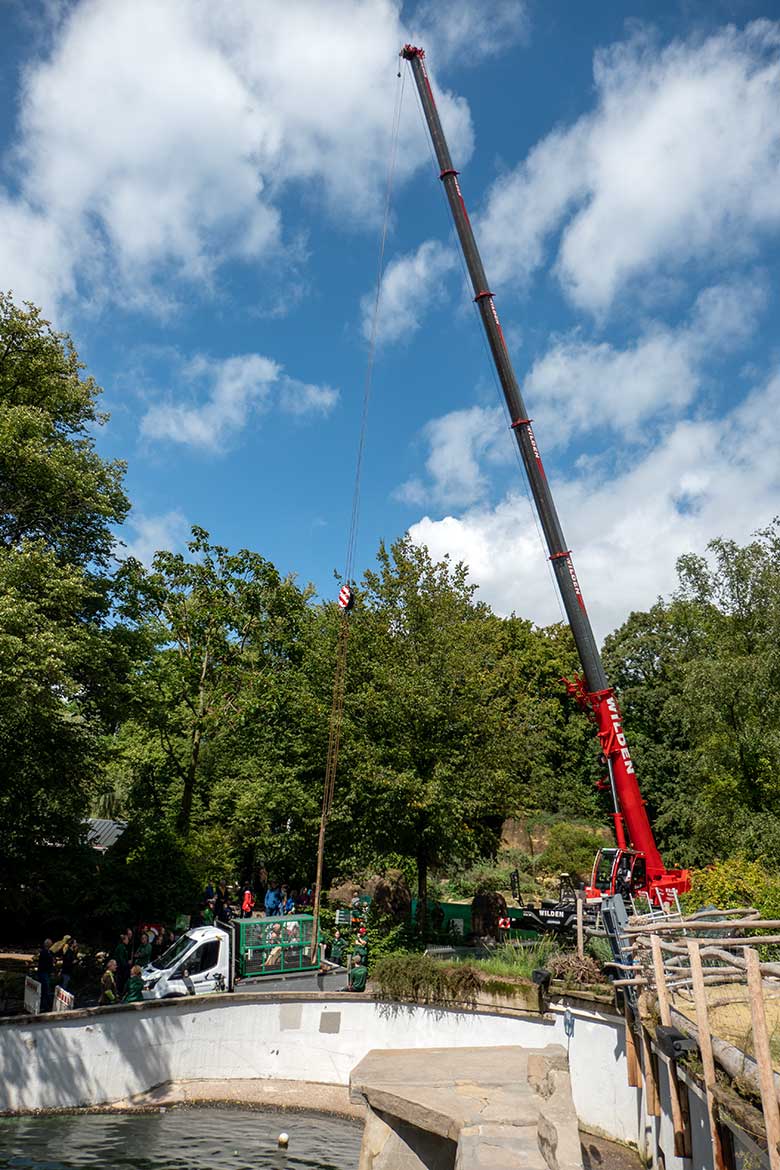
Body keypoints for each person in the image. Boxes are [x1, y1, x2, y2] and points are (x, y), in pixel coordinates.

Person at [36, 939, 55, 1012]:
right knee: (45, 989)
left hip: (46, 973)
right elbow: (45, 963)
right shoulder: (44, 953)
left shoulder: (49, 952)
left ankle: (45, 1005)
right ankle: (46, 1005)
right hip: (44, 973)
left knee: (45, 989)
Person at [114, 931, 131, 995]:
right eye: (127, 939)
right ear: (123, 940)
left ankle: (121, 992)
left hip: (122, 966)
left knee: (121, 980)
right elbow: (121, 958)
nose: (128, 941)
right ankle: (121, 992)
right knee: (121, 980)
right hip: (121, 967)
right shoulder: (121, 947)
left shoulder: (123, 947)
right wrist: (126, 965)